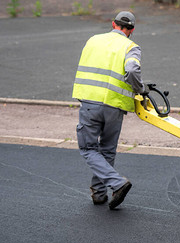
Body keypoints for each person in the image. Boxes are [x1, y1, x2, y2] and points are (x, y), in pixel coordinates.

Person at [72, 11, 149, 209]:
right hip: (114, 106)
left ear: (113, 24)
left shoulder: (93, 40)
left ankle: (117, 183)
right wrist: (140, 89)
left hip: (90, 102)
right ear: (131, 30)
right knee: (107, 150)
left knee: (88, 148)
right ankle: (99, 193)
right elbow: (132, 70)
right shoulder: (131, 47)